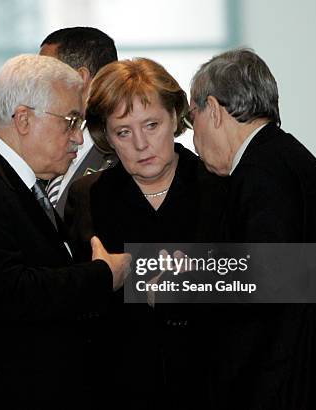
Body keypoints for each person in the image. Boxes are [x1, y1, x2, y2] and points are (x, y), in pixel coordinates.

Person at [0, 54, 131, 409]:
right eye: (70, 121)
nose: (78, 139)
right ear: (23, 119)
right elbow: (12, 292)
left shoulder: (10, 180)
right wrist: (102, 276)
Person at [186, 48, 316, 409]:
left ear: (213, 108)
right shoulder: (283, 157)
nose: (194, 135)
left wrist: (176, 277)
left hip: (298, 381)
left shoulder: (261, 173)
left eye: (192, 117)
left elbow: (264, 285)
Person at [64, 57, 224, 409]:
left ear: (175, 119)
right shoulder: (88, 195)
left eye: (151, 125)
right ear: (106, 136)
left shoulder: (217, 188)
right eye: (124, 131)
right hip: (119, 386)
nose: (140, 143)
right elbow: (77, 302)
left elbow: (254, 286)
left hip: (210, 383)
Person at [39, 27, 118, 217]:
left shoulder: (126, 153)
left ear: (79, 79)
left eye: (44, 76)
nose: (37, 87)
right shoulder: (43, 144)